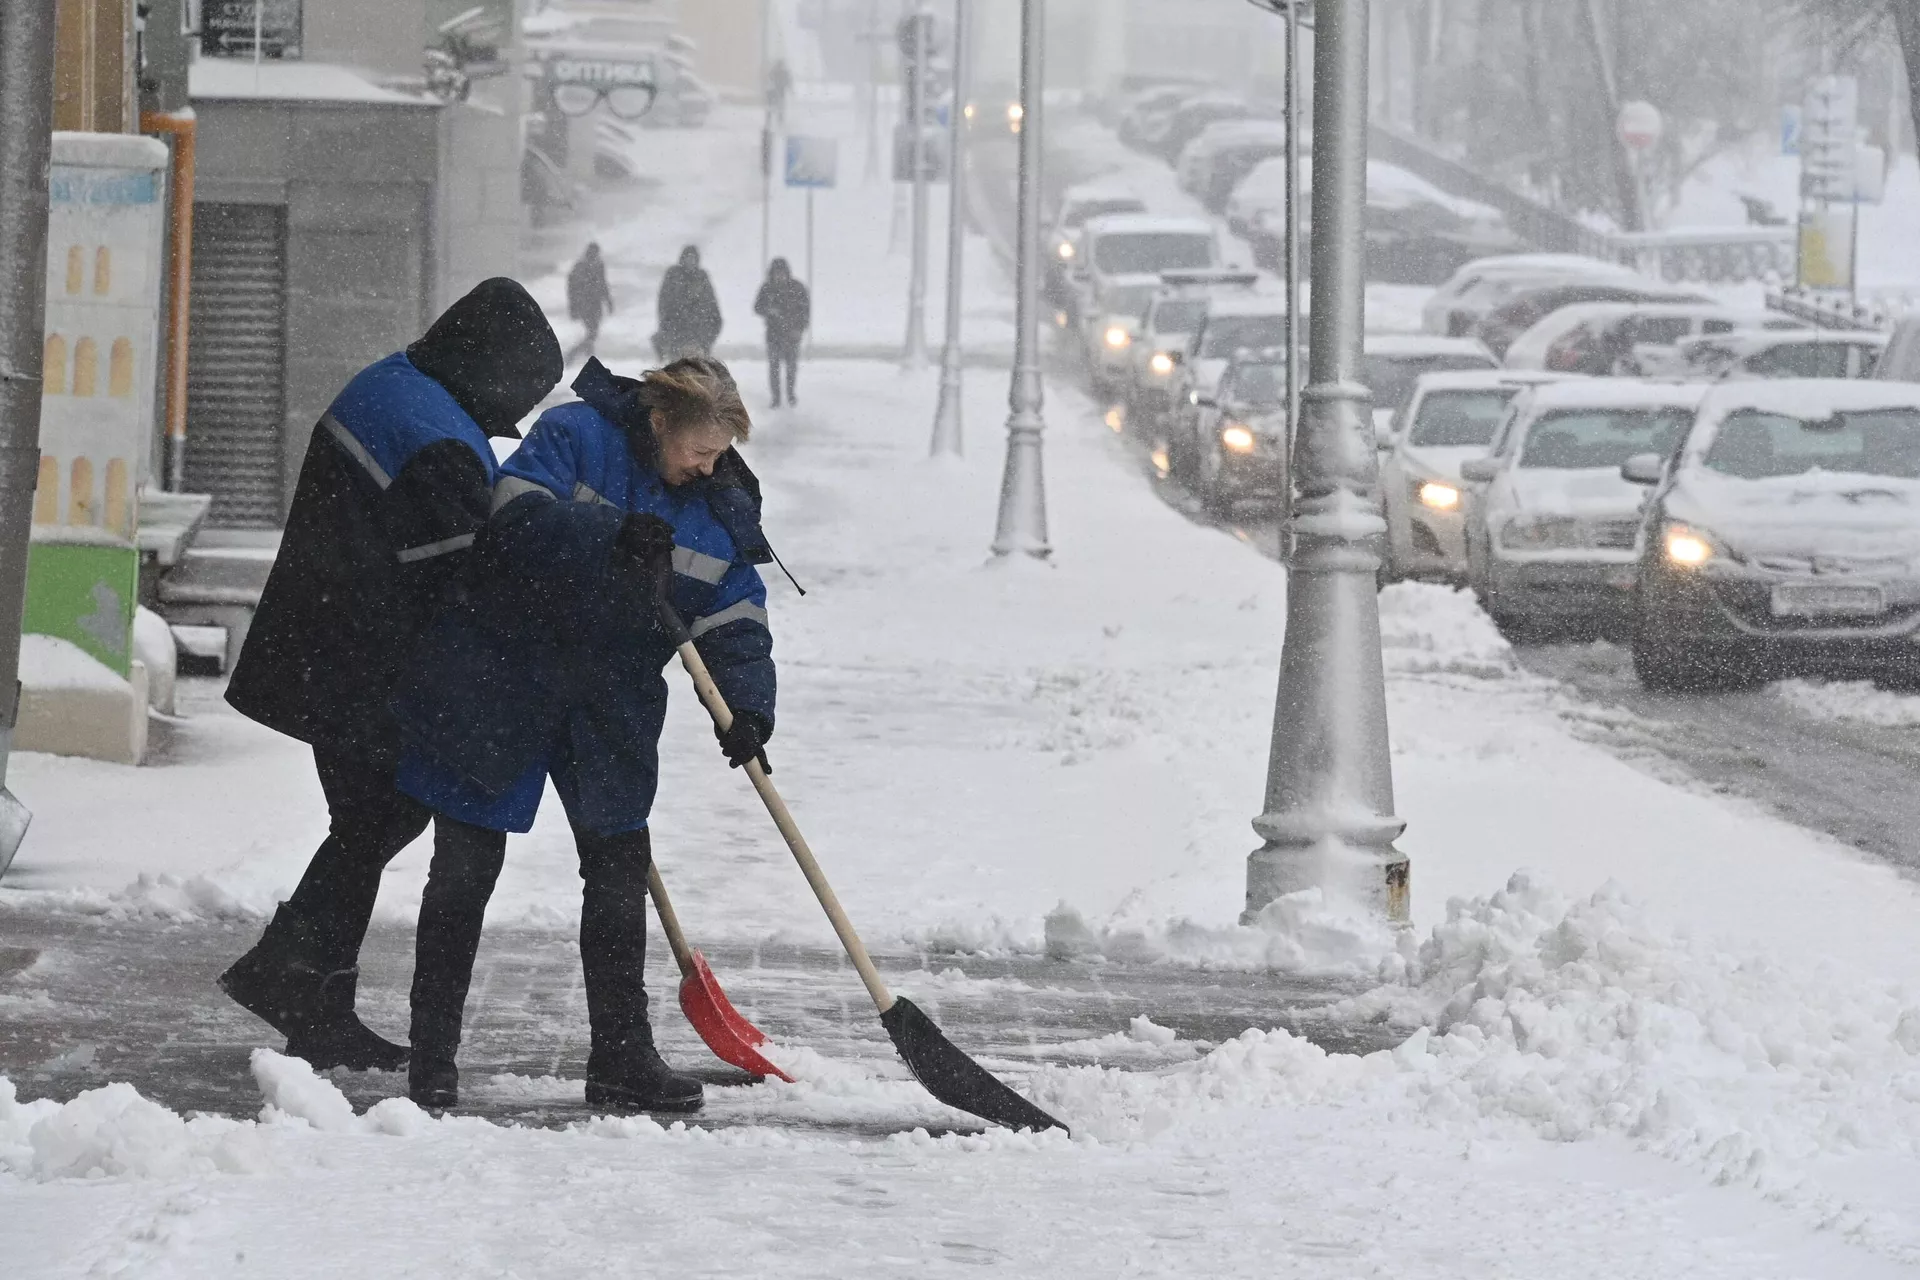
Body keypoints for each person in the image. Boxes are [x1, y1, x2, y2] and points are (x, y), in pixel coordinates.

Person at [390, 355, 776, 1113]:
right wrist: (609, 534)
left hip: (612, 699)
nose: (708, 467)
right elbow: (512, 519)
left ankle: (621, 1058)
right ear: (659, 421)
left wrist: (749, 710)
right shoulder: (573, 435)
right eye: (700, 450)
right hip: (505, 674)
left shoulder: (718, 502)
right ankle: (431, 1057)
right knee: (466, 865)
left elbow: (735, 614)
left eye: (720, 453)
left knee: (618, 869)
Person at [219, 278, 564, 1071]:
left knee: (369, 819)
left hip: (322, 643)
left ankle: (306, 989)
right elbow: (466, 577)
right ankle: (293, 978)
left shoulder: (396, 383)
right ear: (490, 371)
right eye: (513, 399)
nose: (509, 422)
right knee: (378, 817)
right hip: (352, 661)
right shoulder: (436, 439)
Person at [753, 258, 811, 408]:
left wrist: (800, 329)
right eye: (777, 273)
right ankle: (776, 398)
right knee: (774, 367)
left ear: (787, 273)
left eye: (782, 273)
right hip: (773, 335)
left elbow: (805, 311)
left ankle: (791, 394)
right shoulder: (767, 288)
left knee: (791, 367)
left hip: (792, 334)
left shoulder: (797, 288)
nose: (780, 276)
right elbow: (757, 307)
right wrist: (769, 310)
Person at [654, 245, 722, 361]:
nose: (690, 261)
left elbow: (711, 303)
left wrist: (711, 330)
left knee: (697, 365)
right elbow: (664, 301)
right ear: (683, 258)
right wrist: (667, 325)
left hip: (697, 332)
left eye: (693, 258)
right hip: (677, 330)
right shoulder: (673, 274)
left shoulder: (701, 276)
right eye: (688, 258)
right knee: (677, 365)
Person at [565, 242, 614, 364]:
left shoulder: (598, 265)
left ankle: (587, 357)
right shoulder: (580, 267)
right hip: (585, 305)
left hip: (595, 304)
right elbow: (572, 289)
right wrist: (573, 307)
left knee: (593, 333)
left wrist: (609, 301)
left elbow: (603, 284)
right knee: (592, 333)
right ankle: (573, 355)